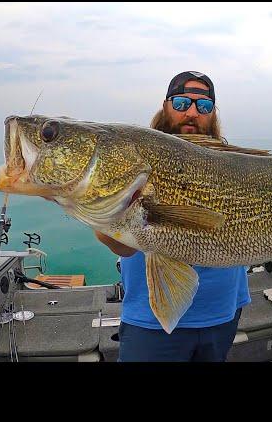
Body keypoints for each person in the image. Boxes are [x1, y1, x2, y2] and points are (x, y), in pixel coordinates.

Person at [94, 71, 251, 362]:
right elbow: (123, 246)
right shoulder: (137, 159)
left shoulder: (233, 163)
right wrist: (109, 219)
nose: (192, 112)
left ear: (213, 114)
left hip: (223, 311)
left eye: (203, 106)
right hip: (151, 321)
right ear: (165, 106)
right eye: (181, 103)